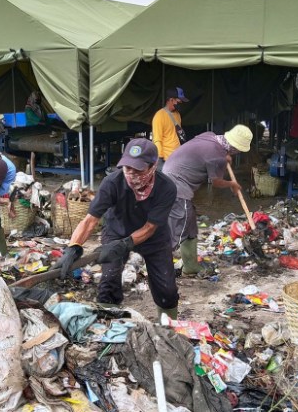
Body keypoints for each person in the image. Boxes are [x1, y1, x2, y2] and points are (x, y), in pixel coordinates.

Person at [52, 139, 179, 319]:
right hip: (116, 230)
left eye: (138, 170)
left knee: (167, 289)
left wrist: (126, 244)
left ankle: (169, 325)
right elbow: (90, 220)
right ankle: (107, 324)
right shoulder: (112, 182)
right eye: (128, 168)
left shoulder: (166, 188)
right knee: (109, 281)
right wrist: (74, 247)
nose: (132, 174)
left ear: (153, 167)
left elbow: (150, 227)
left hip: (154, 238)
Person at [163, 124, 253, 275]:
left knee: (190, 225)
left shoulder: (210, 136)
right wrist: (232, 184)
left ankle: (190, 266)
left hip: (169, 173)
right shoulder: (217, 157)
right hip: (176, 185)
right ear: (235, 148)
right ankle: (156, 266)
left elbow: (207, 153)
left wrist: (225, 157)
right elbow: (216, 182)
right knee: (178, 228)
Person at [151, 87, 189, 171]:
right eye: (179, 101)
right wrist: (160, 159)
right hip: (165, 159)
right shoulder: (159, 116)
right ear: (171, 100)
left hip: (177, 158)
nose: (181, 103)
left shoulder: (177, 115)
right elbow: (157, 139)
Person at [24, 90, 49, 179]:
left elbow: (45, 118)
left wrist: (51, 122)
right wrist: (43, 123)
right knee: (36, 151)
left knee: (45, 149)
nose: (38, 100)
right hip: (32, 132)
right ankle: (34, 170)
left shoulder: (39, 108)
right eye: (37, 99)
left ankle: (45, 168)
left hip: (41, 131)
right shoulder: (28, 109)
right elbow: (33, 119)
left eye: (39, 99)